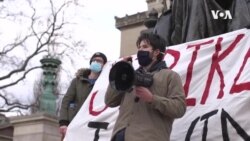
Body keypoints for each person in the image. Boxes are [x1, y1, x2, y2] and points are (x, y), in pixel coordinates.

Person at [105, 33, 186, 141]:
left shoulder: (170, 76)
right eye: (139, 47)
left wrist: (152, 99)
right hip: (120, 136)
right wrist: (118, 73)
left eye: (145, 47)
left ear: (156, 52)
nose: (140, 51)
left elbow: (179, 108)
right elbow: (110, 101)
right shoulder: (129, 75)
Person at [59, 52, 107, 137]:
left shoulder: (104, 84)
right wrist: (63, 122)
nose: (96, 62)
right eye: (94, 60)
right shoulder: (77, 81)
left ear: (104, 65)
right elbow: (66, 101)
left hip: (91, 126)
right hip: (73, 123)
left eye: (99, 61)